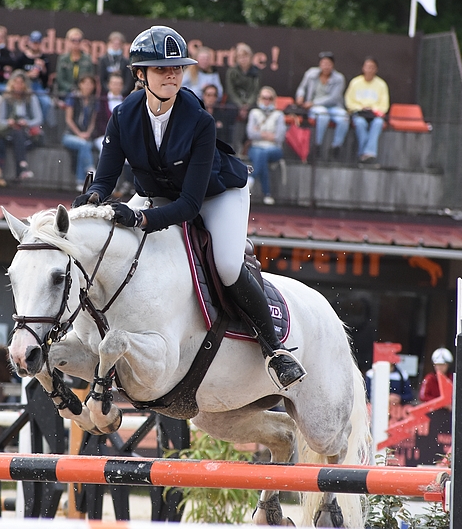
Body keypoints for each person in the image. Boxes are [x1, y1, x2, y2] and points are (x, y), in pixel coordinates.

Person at [73, 26, 305, 389]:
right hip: (159, 195)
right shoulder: (122, 116)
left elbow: (189, 205)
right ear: (140, 74)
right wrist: (92, 199)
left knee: (227, 265)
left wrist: (139, 216)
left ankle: (274, 350)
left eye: (177, 68)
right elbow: (105, 181)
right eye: (162, 68)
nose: (171, 74)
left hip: (215, 195)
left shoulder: (199, 120)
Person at [294, 51, 349, 159]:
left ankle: (336, 147)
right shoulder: (311, 74)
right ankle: (317, 145)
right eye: (323, 63)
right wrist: (300, 96)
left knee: (344, 117)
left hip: (333, 107)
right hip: (315, 108)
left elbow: (334, 98)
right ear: (320, 64)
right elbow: (302, 87)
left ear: (332, 65)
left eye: (328, 64)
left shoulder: (339, 78)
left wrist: (313, 103)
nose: (326, 66)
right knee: (323, 115)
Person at [344, 56, 390, 163]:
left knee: (378, 123)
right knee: (360, 123)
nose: (369, 69)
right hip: (359, 113)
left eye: (372, 67)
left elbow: (384, 105)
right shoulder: (355, 82)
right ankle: (367, 153)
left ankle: (366, 153)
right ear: (363, 68)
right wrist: (360, 108)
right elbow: (349, 101)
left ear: (376, 69)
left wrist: (373, 109)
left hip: (374, 114)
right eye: (367, 67)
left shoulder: (381, 84)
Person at [0, 70, 43, 181]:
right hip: (10, 131)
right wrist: (9, 122)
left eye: (21, 82)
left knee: (19, 135)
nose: (19, 85)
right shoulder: (6, 98)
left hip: (27, 131)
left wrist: (27, 123)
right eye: (16, 82)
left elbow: (38, 118)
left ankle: (21, 170)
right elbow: (0, 119)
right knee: (16, 133)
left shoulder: (31, 98)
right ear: (12, 83)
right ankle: (23, 168)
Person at [246, 86, 286, 205]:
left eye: (269, 98)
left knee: (262, 153)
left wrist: (260, 133)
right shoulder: (254, 113)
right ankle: (267, 194)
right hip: (256, 147)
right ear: (260, 98)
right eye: (264, 98)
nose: (266, 101)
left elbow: (279, 137)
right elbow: (250, 134)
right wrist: (269, 135)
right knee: (261, 155)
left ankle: (251, 178)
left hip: (274, 149)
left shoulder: (279, 115)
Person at [62, 74, 100, 191]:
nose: (88, 86)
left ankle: (79, 181)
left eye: (91, 84)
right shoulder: (73, 97)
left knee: (84, 145)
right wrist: (79, 134)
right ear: (80, 85)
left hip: (85, 136)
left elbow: (93, 121)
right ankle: (90, 168)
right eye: (86, 83)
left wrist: (87, 133)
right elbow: (68, 119)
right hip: (70, 135)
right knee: (84, 144)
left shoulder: (94, 101)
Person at [225, 42, 259, 152]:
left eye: (245, 56)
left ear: (251, 57)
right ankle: (232, 145)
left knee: (254, 113)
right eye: (240, 56)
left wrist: (247, 105)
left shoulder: (256, 72)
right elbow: (230, 90)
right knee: (232, 112)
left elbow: (255, 91)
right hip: (235, 103)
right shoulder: (232, 71)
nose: (243, 59)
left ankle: (248, 146)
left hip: (251, 103)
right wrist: (240, 105)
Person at [14, 30, 53, 126]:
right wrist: (27, 75)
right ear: (29, 42)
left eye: (38, 43)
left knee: (47, 103)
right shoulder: (22, 58)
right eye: (34, 42)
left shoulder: (44, 58)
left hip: (38, 86)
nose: (35, 45)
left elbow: (46, 81)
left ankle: (40, 125)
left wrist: (43, 69)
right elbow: (15, 75)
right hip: (23, 85)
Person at [53, 28, 95, 102]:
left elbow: (90, 77)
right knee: (70, 99)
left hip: (84, 92)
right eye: (73, 40)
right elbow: (60, 79)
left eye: (78, 40)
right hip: (66, 92)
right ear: (68, 41)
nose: (76, 43)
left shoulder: (87, 59)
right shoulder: (63, 59)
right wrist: (72, 89)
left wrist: (82, 89)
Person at [97, 31, 134, 97]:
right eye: (113, 43)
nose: (116, 46)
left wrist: (121, 92)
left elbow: (129, 80)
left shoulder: (126, 61)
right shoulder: (103, 60)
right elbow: (102, 79)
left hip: (122, 95)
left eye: (118, 44)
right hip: (107, 95)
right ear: (108, 44)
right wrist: (110, 92)